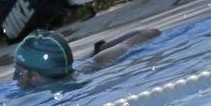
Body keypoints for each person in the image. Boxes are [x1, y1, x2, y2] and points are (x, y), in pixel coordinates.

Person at [11, 28, 160, 90]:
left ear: (35, 76)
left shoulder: (97, 62)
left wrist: (104, 48)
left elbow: (150, 32)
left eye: (18, 72)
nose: (14, 78)